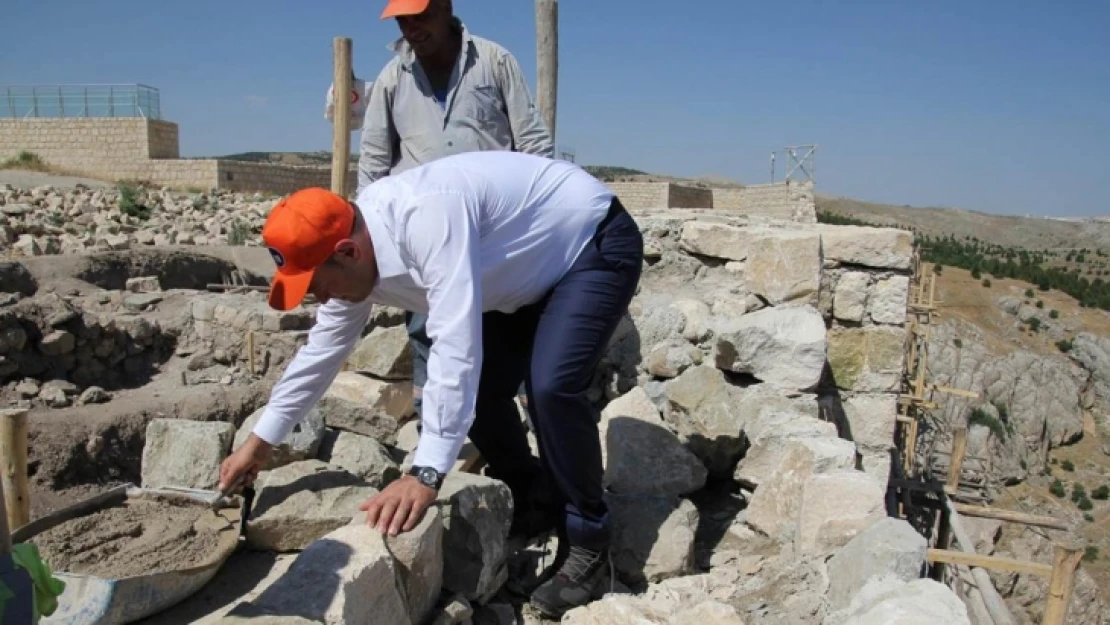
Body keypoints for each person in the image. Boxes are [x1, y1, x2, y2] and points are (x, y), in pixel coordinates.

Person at [218, 150, 642, 618]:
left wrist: (426, 473)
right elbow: (321, 352)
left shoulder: (427, 217)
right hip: (515, 276)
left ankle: (589, 544)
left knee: (551, 388)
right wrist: (260, 443)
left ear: (348, 252)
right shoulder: (351, 260)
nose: (318, 298)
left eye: (317, 284)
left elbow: (454, 343)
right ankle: (535, 497)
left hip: (588, 244)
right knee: (479, 393)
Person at [358, 0, 555, 429]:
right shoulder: (393, 78)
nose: (413, 29)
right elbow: (373, 165)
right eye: (403, 21)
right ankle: (436, 423)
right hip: (424, 236)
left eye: (421, 16)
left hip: (493, 229)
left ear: (446, 7)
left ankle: (521, 420)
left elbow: (534, 145)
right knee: (428, 329)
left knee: (506, 320)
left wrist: (538, 220)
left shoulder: (494, 61)